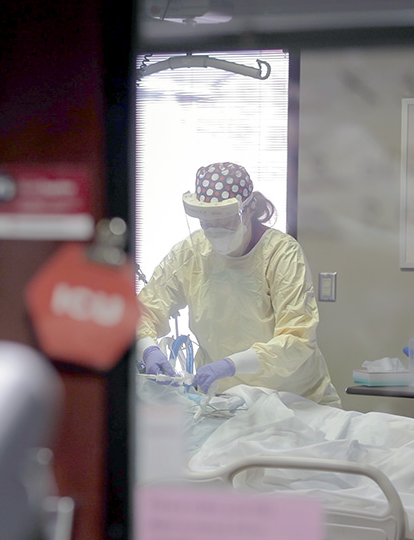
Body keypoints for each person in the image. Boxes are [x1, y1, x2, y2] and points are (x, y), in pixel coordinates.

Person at [136, 161, 340, 407]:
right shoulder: (191, 253)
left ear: (249, 209)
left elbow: (297, 339)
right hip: (226, 402)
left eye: (224, 220)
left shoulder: (280, 254)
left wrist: (232, 364)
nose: (214, 230)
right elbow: (144, 309)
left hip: (296, 400)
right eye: (206, 222)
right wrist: (147, 348)